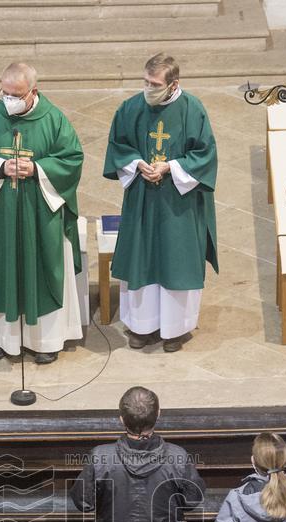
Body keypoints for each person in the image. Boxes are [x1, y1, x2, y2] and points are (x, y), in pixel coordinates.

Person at [0, 62, 84, 365]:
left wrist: (38, 168)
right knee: (3, 268)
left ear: (33, 92)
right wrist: (0, 167)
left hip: (39, 214)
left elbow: (72, 159)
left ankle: (45, 341)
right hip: (2, 213)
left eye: (16, 94)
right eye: (5, 93)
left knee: (42, 268)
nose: (9, 100)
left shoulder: (53, 119)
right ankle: (3, 340)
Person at [103, 53, 218, 353]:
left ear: (173, 84)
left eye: (154, 84)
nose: (148, 88)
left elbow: (205, 154)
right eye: (145, 81)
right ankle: (142, 327)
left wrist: (170, 167)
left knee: (175, 260)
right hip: (142, 195)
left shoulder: (193, 110)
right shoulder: (131, 108)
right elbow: (118, 145)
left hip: (179, 202)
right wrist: (138, 164)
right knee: (142, 256)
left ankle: (175, 330)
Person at [70, 385, 206, 522]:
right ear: (158, 415)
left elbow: (83, 502)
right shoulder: (178, 457)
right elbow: (192, 500)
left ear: (121, 419)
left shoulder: (100, 456)